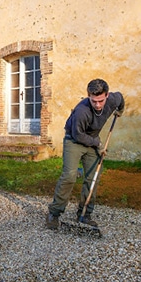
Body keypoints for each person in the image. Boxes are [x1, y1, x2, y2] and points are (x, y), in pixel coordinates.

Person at [46, 78, 124, 230]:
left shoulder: (113, 99)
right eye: (94, 101)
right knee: (69, 176)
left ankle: (84, 214)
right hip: (74, 140)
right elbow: (78, 135)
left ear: (107, 96)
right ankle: (54, 213)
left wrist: (120, 111)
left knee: (92, 177)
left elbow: (121, 98)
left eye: (101, 101)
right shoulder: (82, 111)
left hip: (92, 140)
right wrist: (98, 144)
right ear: (88, 96)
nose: (97, 105)